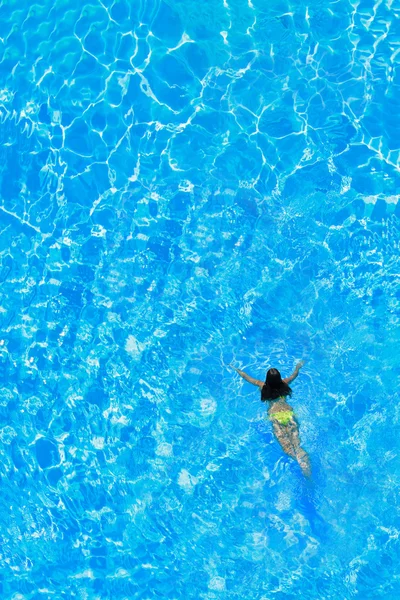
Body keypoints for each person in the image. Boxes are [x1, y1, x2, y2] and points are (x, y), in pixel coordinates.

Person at [231, 362, 311, 477]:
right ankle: (306, 468)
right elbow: (294, 375)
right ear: (279, 378)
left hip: (275, 417)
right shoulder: (284, 384)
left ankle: (300, 464)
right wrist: (298, 366)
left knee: (287, 448)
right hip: (288, 414)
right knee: (297, 445)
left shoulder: (262, 386)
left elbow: (246, 377)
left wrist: (236, 369)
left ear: (267, 379)